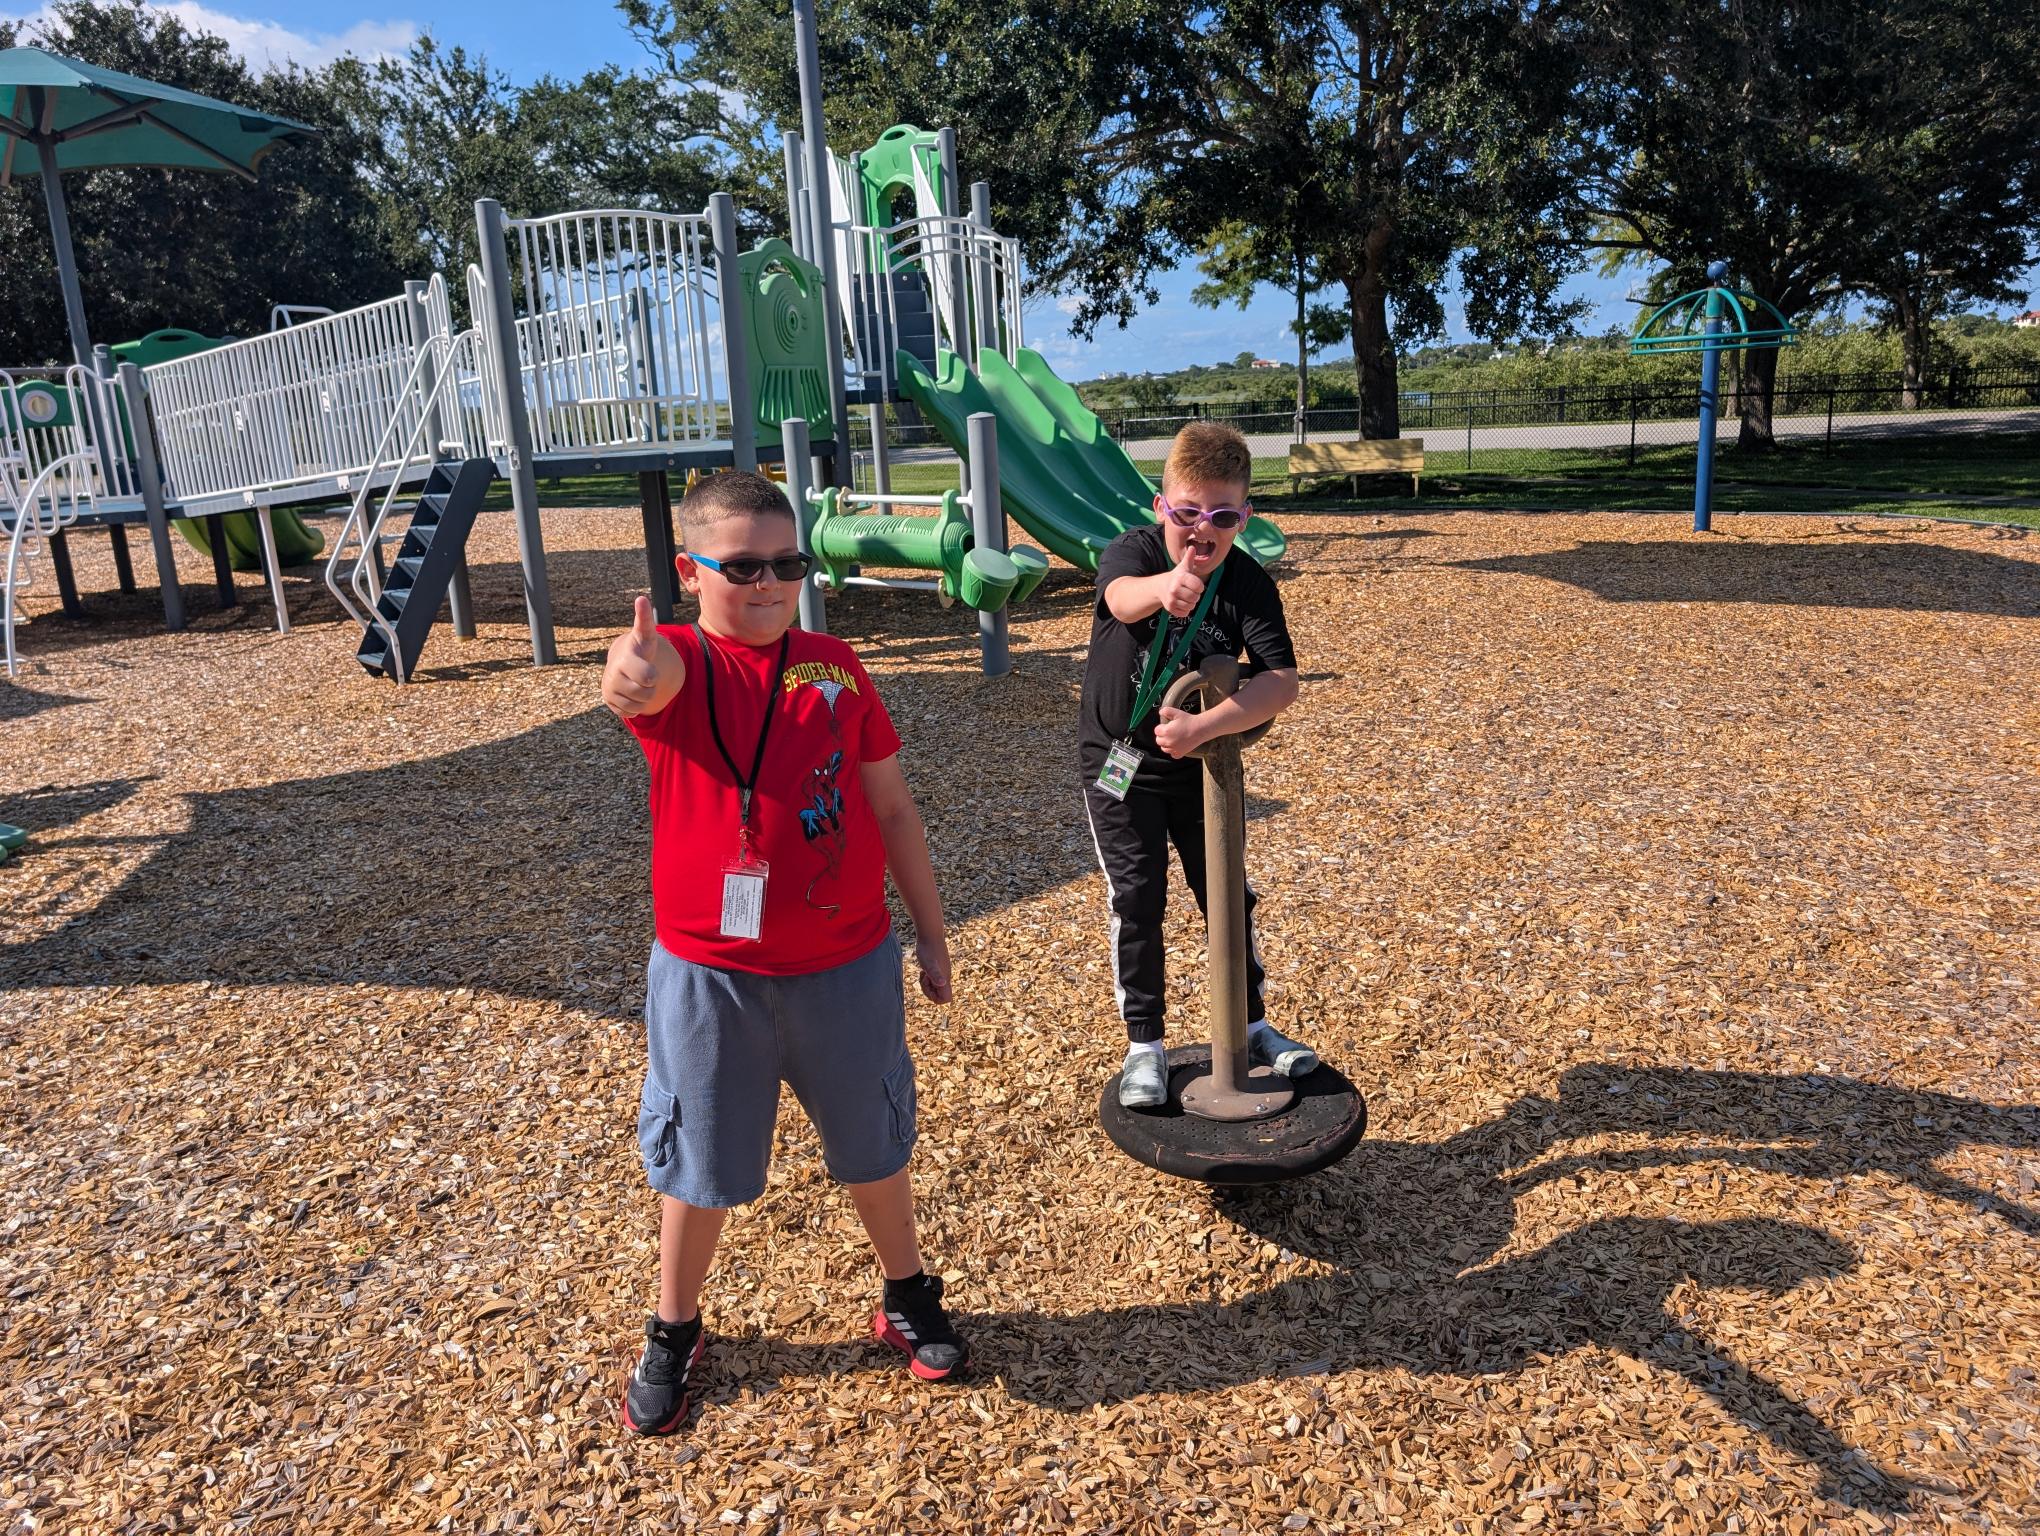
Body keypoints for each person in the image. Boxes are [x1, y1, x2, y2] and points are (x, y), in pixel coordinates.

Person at [599, 470, 968, 1435]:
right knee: (701, 1159)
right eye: (743, 567)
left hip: (847, 961)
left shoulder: (838, 665)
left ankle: (907, 1292)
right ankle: (674, 1326)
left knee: (873, 1143)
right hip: (710, 973)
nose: (768, 584)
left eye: (787, 563)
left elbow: (891, 805)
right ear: (691, 571)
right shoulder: (681, 656)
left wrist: (930, 933)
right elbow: (640, 678)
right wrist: (626, 669)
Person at [1078, 421, 1314, 1109]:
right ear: (1163, 510)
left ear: (1244, 517)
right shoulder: (1134, 553)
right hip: (1121, 763)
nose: (1201, 532)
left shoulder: (1245, 582)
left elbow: (1280, 681)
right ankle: (1143, 1045)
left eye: (1221, 517)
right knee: (1137, 898)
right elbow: (1121, 598)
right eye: (1188, 514)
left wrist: (1209, 726)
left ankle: (1252, 1026)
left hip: (1202, 767)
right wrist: (1164, 588)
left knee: (1227, 896)